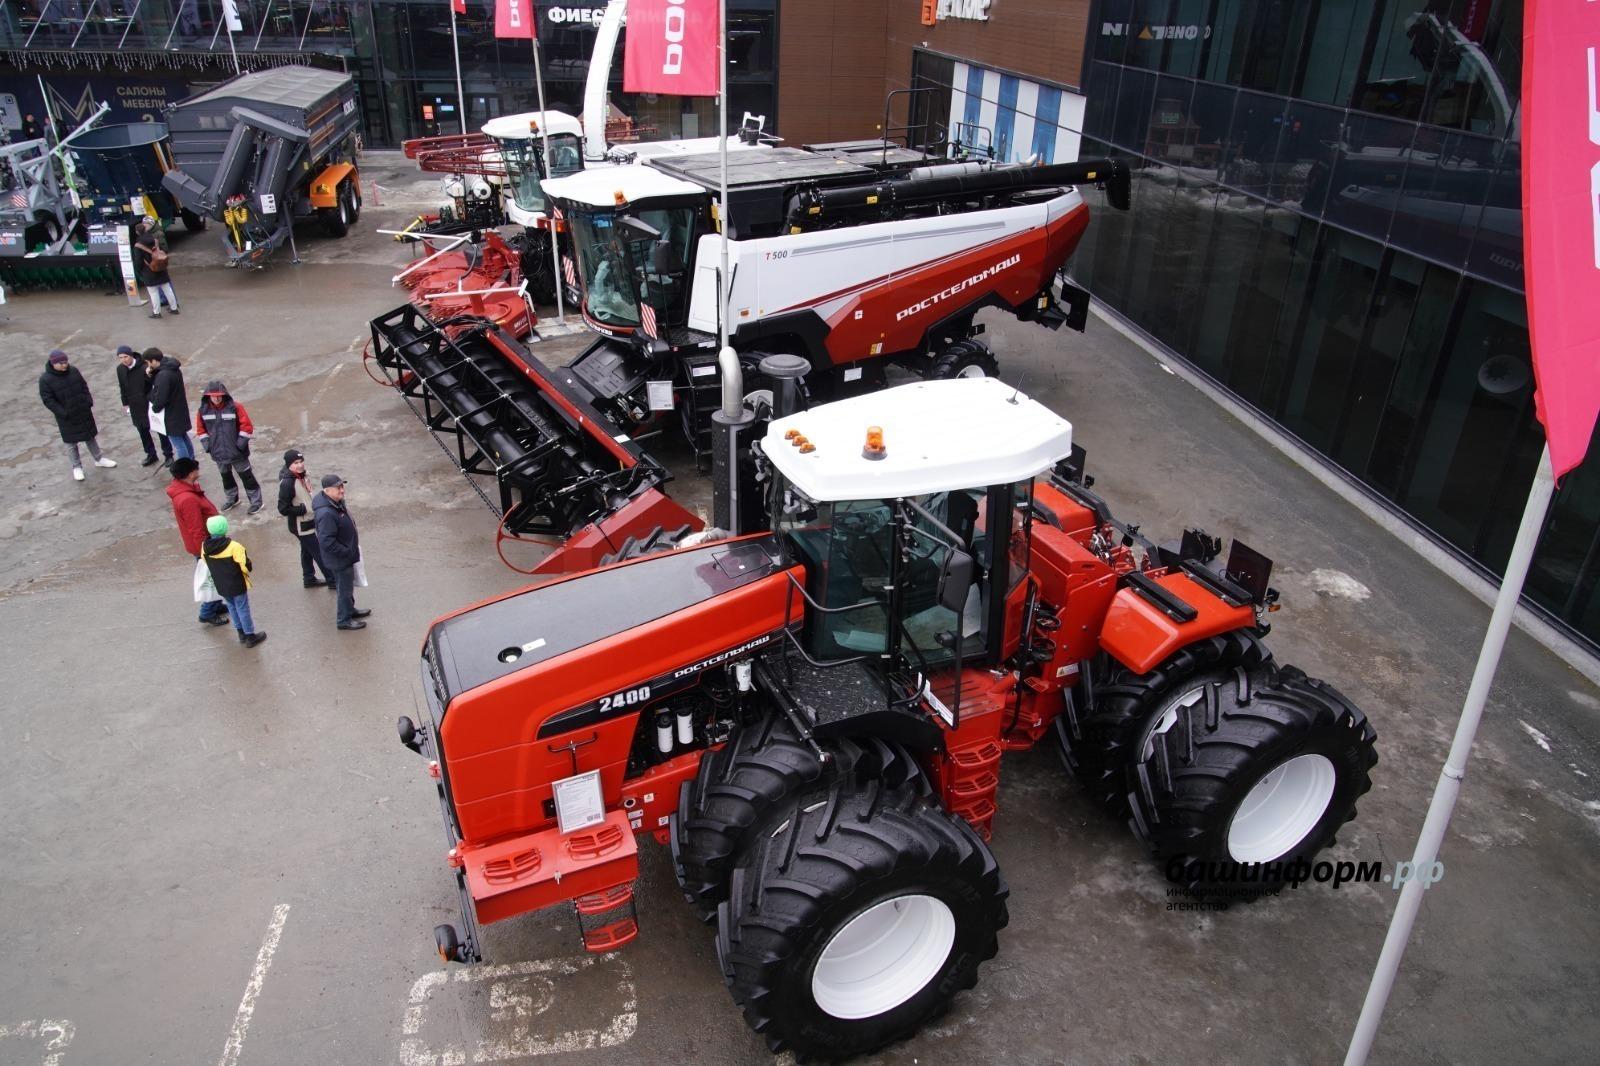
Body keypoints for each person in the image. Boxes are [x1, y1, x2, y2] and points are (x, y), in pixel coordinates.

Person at [166, 457, 230, 627]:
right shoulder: (188, 498)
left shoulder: (186, 491)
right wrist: (205, 549)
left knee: (213, 576)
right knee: (213, 578)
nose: (198, 471)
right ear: (190, 473)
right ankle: (207, 612)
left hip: (204, 542)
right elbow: (196, 527)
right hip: (205, 544)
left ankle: (215, 605)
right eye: (196, 469)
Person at [38, 349, 116, 482]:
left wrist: (88, 401)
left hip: (83, 411)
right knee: (71, 443)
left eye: (65, 362)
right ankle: (77, 467)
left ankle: (99, 459)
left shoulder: (73, 371)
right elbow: (48, 400)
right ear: (53, 363)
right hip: (67, 417)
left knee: (90, 436)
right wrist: (63, 413)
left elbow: (84, 386)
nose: (64, 365)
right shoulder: (45, 379)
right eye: (61, 363)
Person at [313, 473, 370, 631]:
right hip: (340, 558)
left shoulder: (335, 503)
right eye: (338, 488)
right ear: (327, 490)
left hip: (345, 555)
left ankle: (350, 610)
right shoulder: (326, 513)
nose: (342, 490)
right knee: (344, 589)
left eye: (342, 486)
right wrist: (345, 552)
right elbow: (326, 541)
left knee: (347, 586)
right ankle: (344, 620)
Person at [195, 380, 262, 513]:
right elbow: (201, 431)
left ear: (224, 394)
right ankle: (232, 499)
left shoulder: (235, 407)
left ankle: (256, 502)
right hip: (218, 453)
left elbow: (246, 427)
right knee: (226, 478)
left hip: (237, 453)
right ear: (208, 396)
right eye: (213, 396)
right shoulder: (202, 411)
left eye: (219, 395)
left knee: (247, 477)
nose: (216, 398)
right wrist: (208, 446)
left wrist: (239, 446)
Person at [202, 515, 267, 648]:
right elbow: (245, 566)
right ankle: (250, 636)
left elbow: (205, 562)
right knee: (242, 608)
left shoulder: (204, 547)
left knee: (232, 607)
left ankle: (241, 633)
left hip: (221, 585)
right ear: (225, 528)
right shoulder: (234, 546)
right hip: (237, 584)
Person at [277, 449, 333, 589]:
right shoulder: (287, 483)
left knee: (307, 550)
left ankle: (309, 578)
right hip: (301, 525)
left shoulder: (302, 475)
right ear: (289, 465)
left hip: (308, 520)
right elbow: (283, 509)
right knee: (318, 551)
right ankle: (332, 580)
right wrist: (302, 509)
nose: (300, 465)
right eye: (296, 462)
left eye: (301, 461)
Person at [116, 343, 170, 467]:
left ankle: (168, 455)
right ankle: (151, 454)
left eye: (125, 357)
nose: (124, 360)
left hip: (148, 404)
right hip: (135, 407)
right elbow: (122, 387)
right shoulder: (120, 369)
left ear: (131, 355)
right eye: (121, 357)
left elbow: (155, 385)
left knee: (159, 430)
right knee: (143, 432)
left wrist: (153, 401)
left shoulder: (144, 367)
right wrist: (125, 403)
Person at [144, 347, 195, 460]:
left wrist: (155, 408)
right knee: (184, 438)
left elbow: (160, 397)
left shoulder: (163, 375)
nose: (148, 365)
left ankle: (185, 466)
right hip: (180, 411)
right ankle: (191, 462)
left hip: (171, 415)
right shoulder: (173, 368)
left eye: (148, 362)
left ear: (154, 360)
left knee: (178, 444)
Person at [134, 219, 179, 318]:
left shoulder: (138, 245)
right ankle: (174, 308)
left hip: (148, 271)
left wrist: (139, 271)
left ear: (137, 232)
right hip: (161, 268)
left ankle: (157, 312)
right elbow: (162, 251)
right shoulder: (155, 240)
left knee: (153, 293)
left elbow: (138, 261)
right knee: (167, 289)